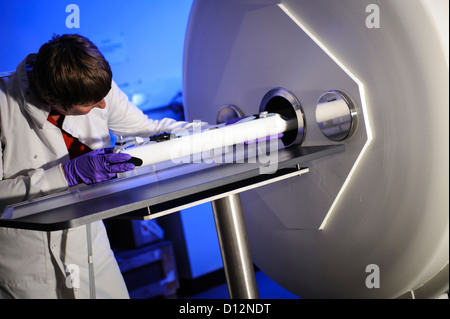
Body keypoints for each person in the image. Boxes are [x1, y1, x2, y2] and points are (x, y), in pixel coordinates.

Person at [0, 34, 198, 298]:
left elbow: (149, 129)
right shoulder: (4, 107)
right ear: (53, 100)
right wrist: (66, 175)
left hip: (91, 247)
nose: (103, 105)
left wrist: (219, 132)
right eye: (92, 104)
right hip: (27, 264)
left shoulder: (92, 84)